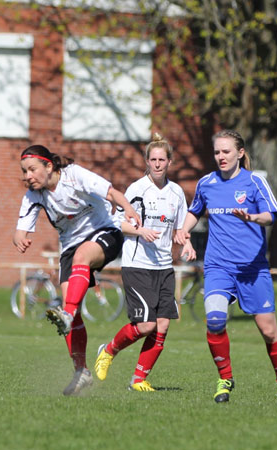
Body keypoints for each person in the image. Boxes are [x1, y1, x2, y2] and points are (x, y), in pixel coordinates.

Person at [176, 129, 277, 406]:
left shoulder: (254, 181)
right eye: (217, 152)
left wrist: (252, 217)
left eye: (226, 151)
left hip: (253, 269)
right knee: (215, 321)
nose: (221, 156)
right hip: (218, 266)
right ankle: (225, 378)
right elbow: (194, 211)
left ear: (240, 153)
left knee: (268, 332)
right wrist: (184, 231)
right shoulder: (207, 183)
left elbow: (270, 216)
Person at [13, 144, 141, 396]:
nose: (28, 176)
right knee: (71, 304)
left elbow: (111, 192)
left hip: (104, 231)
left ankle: (67, 314)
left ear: (49, 166)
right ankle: (81, 371)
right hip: (70, 247)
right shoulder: (33, 195)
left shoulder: (74, 175)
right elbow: (20, 230)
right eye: (24, 171)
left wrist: (128, 208)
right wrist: (19, 238)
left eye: (32, 169)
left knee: (75, 285)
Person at [94, 133, 187, 391]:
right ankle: (108, 350)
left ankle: (138, 379)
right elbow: (118, 223)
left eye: (162, 160)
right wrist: (140, 231)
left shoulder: (177, 193)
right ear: (147, 161)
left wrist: (186, 242)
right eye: (153, 160)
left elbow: (180, 229)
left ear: (170, 162)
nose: (157, 164)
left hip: (164, 267)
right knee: (146, 325)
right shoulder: (137, 189)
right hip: (138, 265)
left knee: (163, 325)